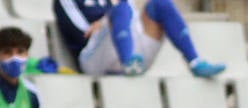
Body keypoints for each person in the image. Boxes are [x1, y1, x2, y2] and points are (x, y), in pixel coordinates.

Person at [53, 0, 224, 77]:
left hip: (129, 47)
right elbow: (83, 34)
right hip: (93, 57)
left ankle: (194, 61)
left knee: (161, 4)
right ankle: (128, 62)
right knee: (120, 9)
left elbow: (132, 20)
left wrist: (109, 18)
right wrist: (108, 19)